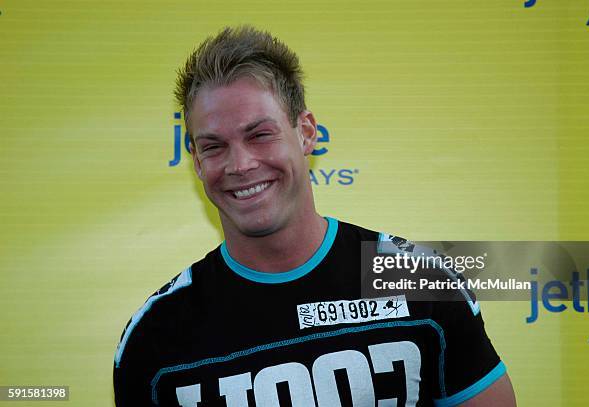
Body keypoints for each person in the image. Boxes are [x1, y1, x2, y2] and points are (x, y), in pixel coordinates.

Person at [113, 26, 516, 406]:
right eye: (214, 146)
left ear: (306, 132)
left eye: (259, 135)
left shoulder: (416, 278)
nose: (240, 164)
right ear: (197, 162)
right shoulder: (156, 333)